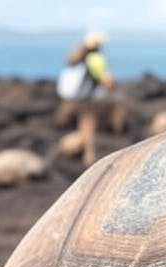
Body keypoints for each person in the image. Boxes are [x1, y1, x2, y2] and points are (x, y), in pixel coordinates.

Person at [65, 31, 118, 166]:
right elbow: (104, 79)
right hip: (89, 97)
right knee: (89, 124)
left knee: (82, 123)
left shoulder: (79, 57)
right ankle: (89, 156)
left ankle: (79, 150)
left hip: (76, 97)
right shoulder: (96, 58)